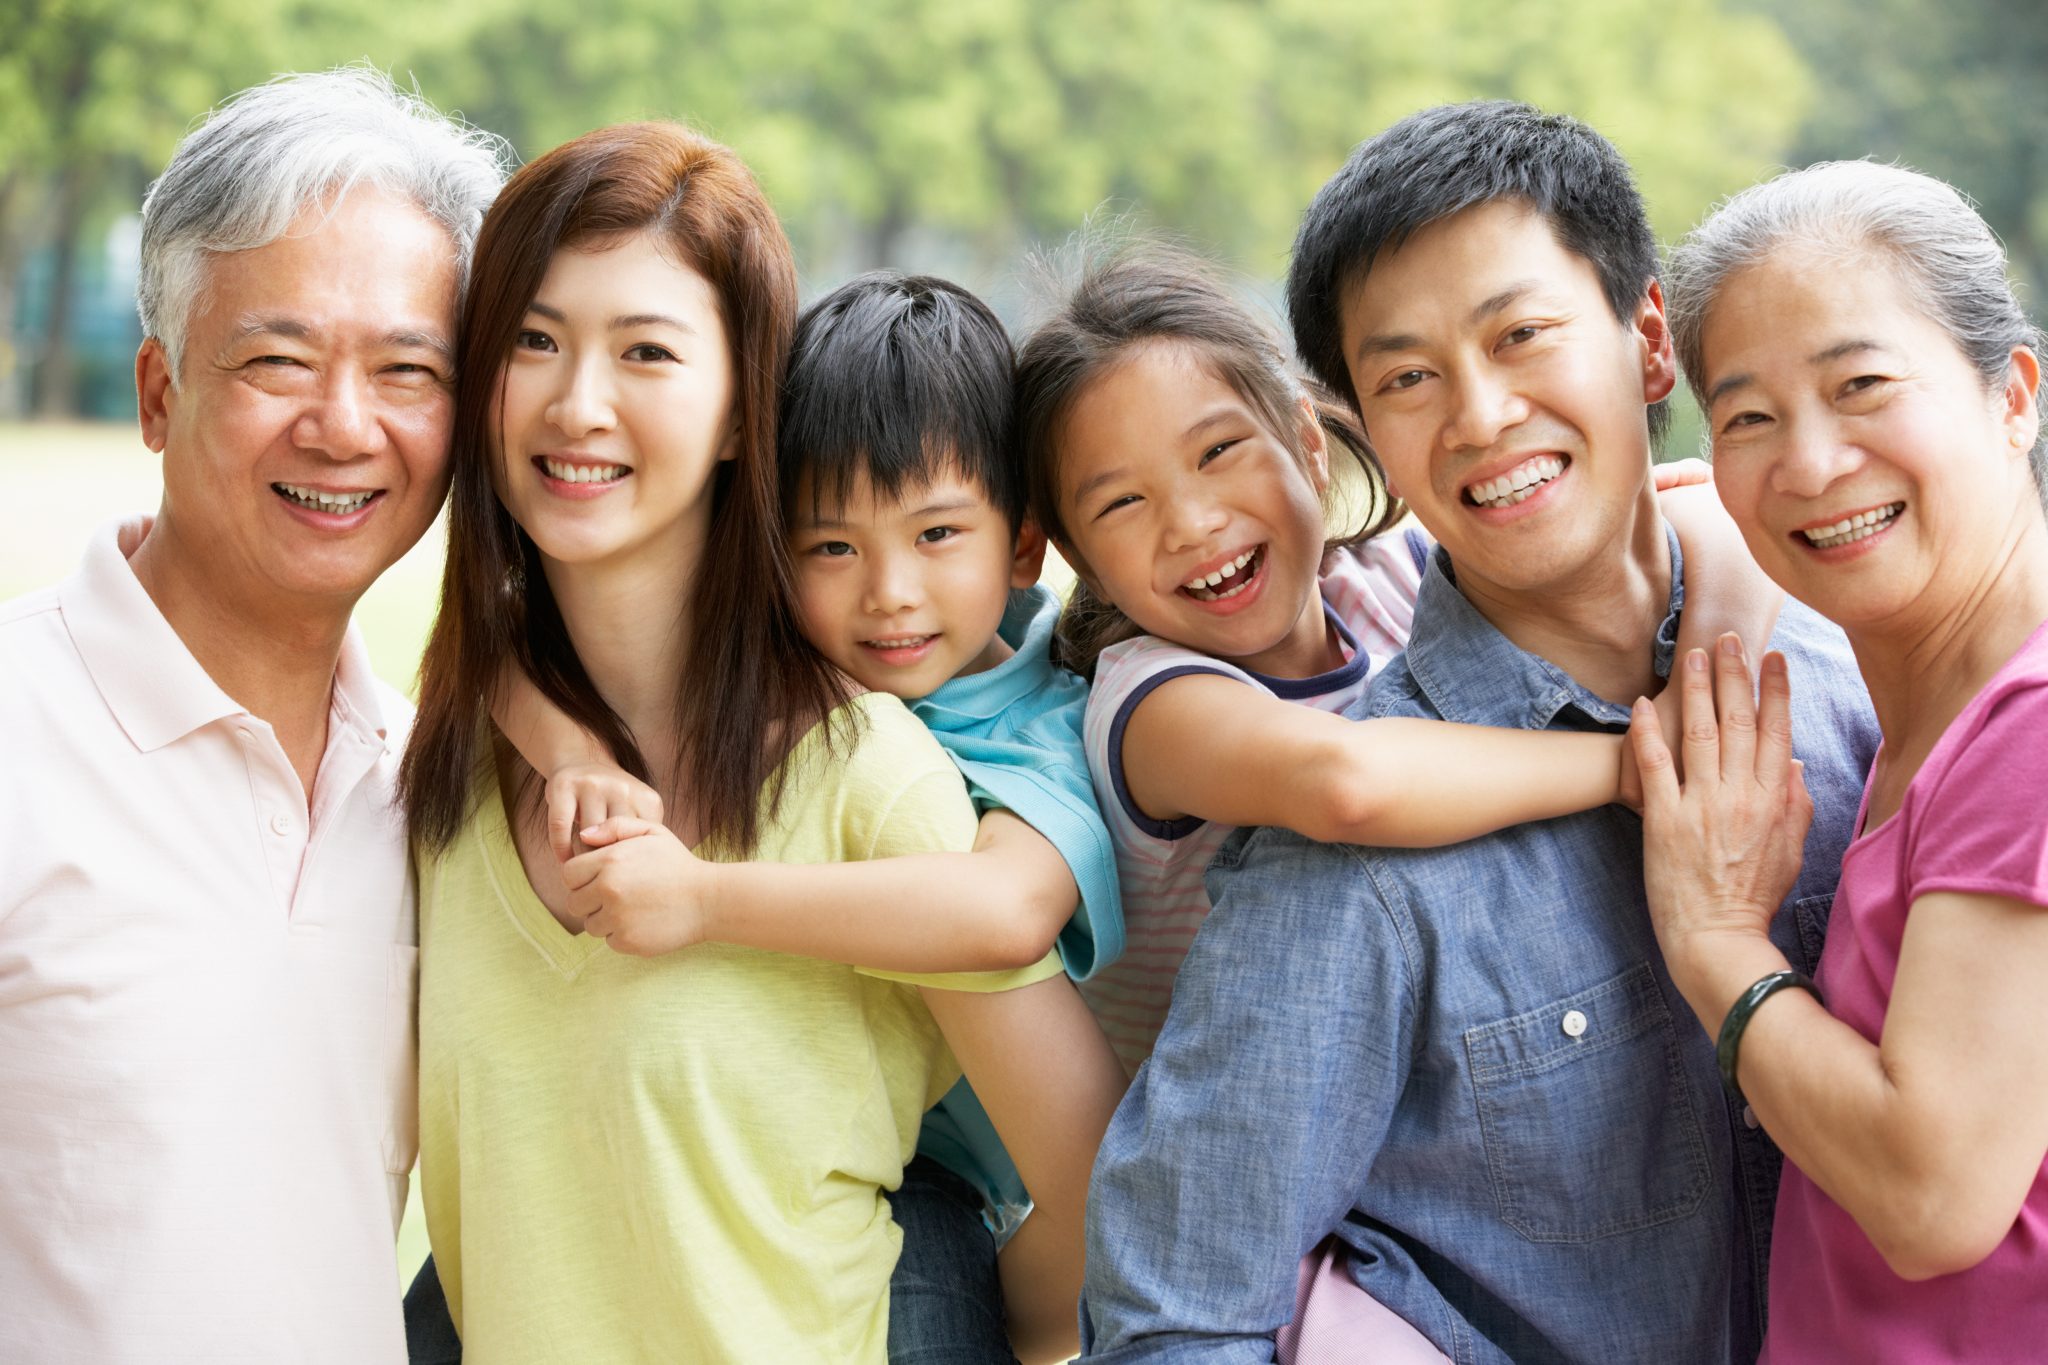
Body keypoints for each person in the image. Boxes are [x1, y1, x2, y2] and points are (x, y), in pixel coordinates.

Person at [1077, 102, 1880, 1363]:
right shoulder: (1345, 865)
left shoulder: (1847, 676)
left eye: (1521, 335)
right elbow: (1172, 1324)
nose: (1481, 416)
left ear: (1648, 338)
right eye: (1405, 378)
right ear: (1361, 429)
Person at [399, 124, 1111, 1365]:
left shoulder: (868, 780)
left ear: (743, 414)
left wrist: (948, 1327)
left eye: (647, 352)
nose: (576, 402)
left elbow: (1103, 1190)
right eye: (531, 338)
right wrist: (559, 744)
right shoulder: (455, 763)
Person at [0, 70, 503, 1364]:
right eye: (277, 360)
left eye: (408, 371)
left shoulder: (434, 794)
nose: (344, 426)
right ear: (159, 394)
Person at [1012, 245, 1777, 1078]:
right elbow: (1348, 783)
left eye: (1218, 452)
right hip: (1250, 1104)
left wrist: (1702, 697)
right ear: (1078, 556)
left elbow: (1710, 511)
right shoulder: (1151, 703)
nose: (1192, 523)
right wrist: (1639, 760)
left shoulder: (1387, 573)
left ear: (1307, 444)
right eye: (1122, 502)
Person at [1634, 160, 2048, 1363]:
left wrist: (1716, 946)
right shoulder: (1929, 698)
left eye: (1860, 385)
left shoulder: (2025, 728)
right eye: (1748, 418)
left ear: (2011, 391)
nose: (1808, 466)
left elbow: (1930, 1200)